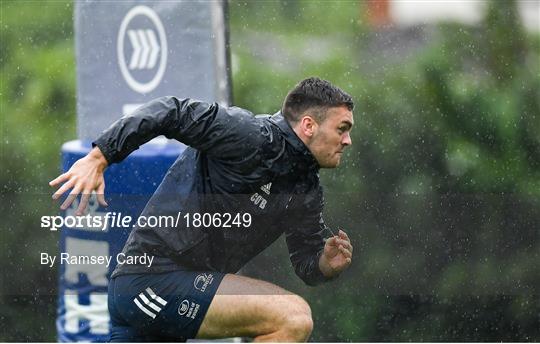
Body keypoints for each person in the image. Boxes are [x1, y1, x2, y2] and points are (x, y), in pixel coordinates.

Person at [50, 77, 354, 342]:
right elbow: (171, 111)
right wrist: (99, 157)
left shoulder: (306, 187)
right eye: (342, 129)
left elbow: (306, 262)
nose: (348, 140)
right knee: (293, 316)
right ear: (309, 125)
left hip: (169, 294)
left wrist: (324, 263)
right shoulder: (250, 135)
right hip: (150, 279)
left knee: (294, 316)